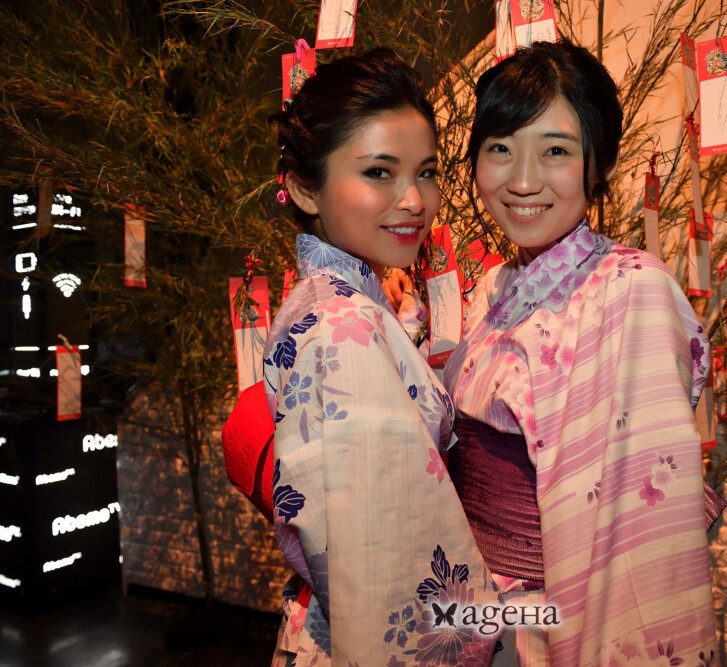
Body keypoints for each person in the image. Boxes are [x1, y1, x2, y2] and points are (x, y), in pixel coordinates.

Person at [443, 41, 720, 666]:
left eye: (556, 151)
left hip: (555, 617)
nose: (522, 181)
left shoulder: (633, 290)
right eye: (500, 148)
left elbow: (640, 513)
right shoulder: (490, 288)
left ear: (600, 165)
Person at [264, 48, 497, 666]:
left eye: (426, 172)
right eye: (379, 172)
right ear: (304, 188)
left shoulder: (335, 300)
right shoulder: (343, 326)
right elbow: (390, 563)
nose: (415, 199)